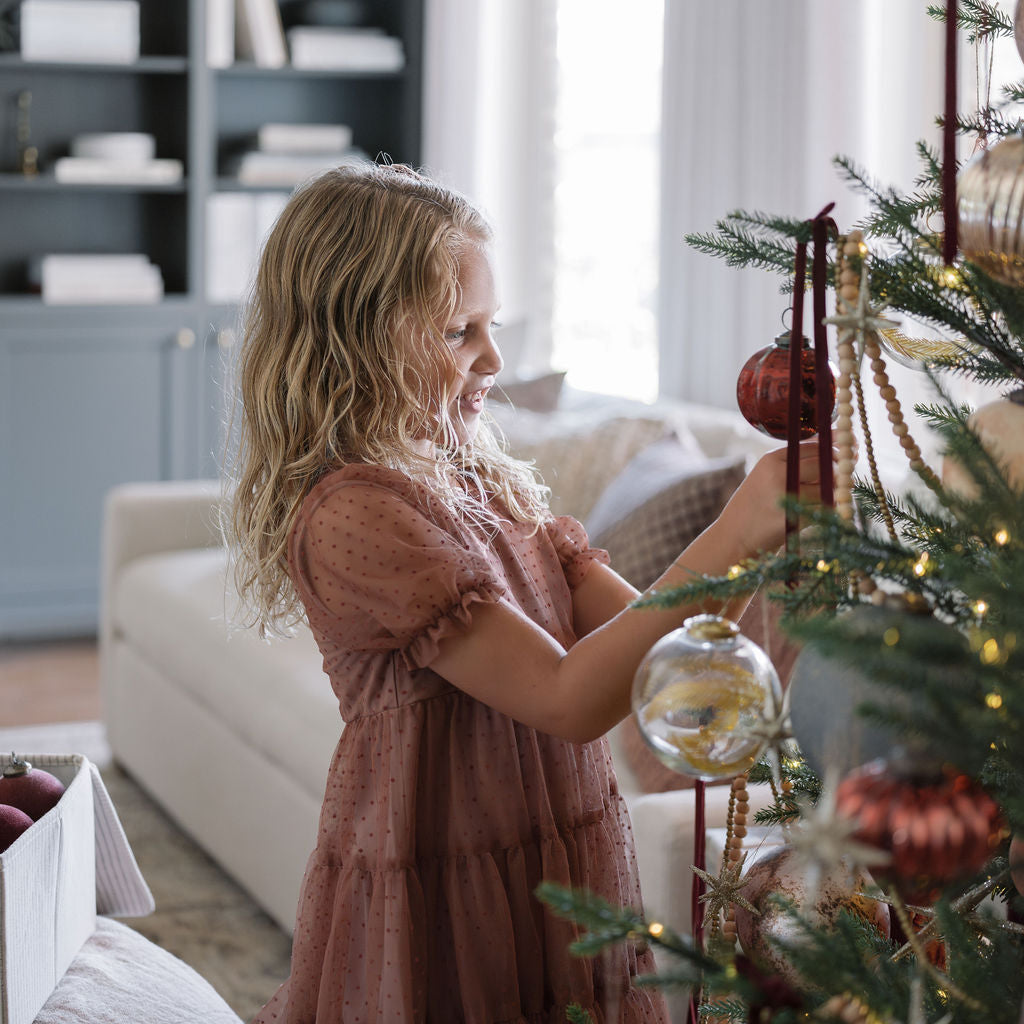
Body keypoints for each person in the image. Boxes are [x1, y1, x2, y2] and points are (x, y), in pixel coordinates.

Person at [229, 162, 826, 1023]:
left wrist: (758, 550)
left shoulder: (482, 477)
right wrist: (737, 525)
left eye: (491, 324)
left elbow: (652, 644)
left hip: (558, 839)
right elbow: (566, 698)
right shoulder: (353, 513)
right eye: (456, 331)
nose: (494, 358)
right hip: (447, 867)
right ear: (352, 337)